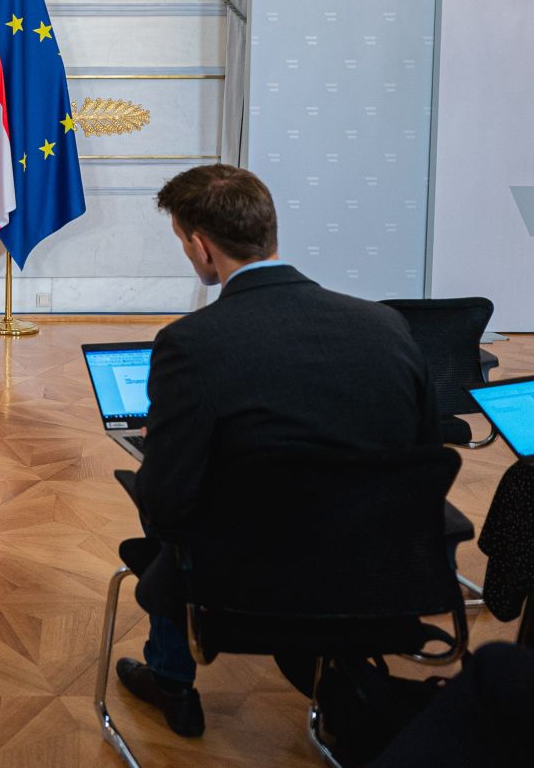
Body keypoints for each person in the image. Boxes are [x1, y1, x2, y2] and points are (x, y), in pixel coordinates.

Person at [118, 165, 437, 740]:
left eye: (182, 243)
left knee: (159, 507)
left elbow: (168, 504)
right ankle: (343, 672)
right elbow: (422, 454)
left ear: (200, 245)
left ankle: (171, 678)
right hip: (382, 577)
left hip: (247, 591)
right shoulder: (386, 325)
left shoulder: (190, 345)